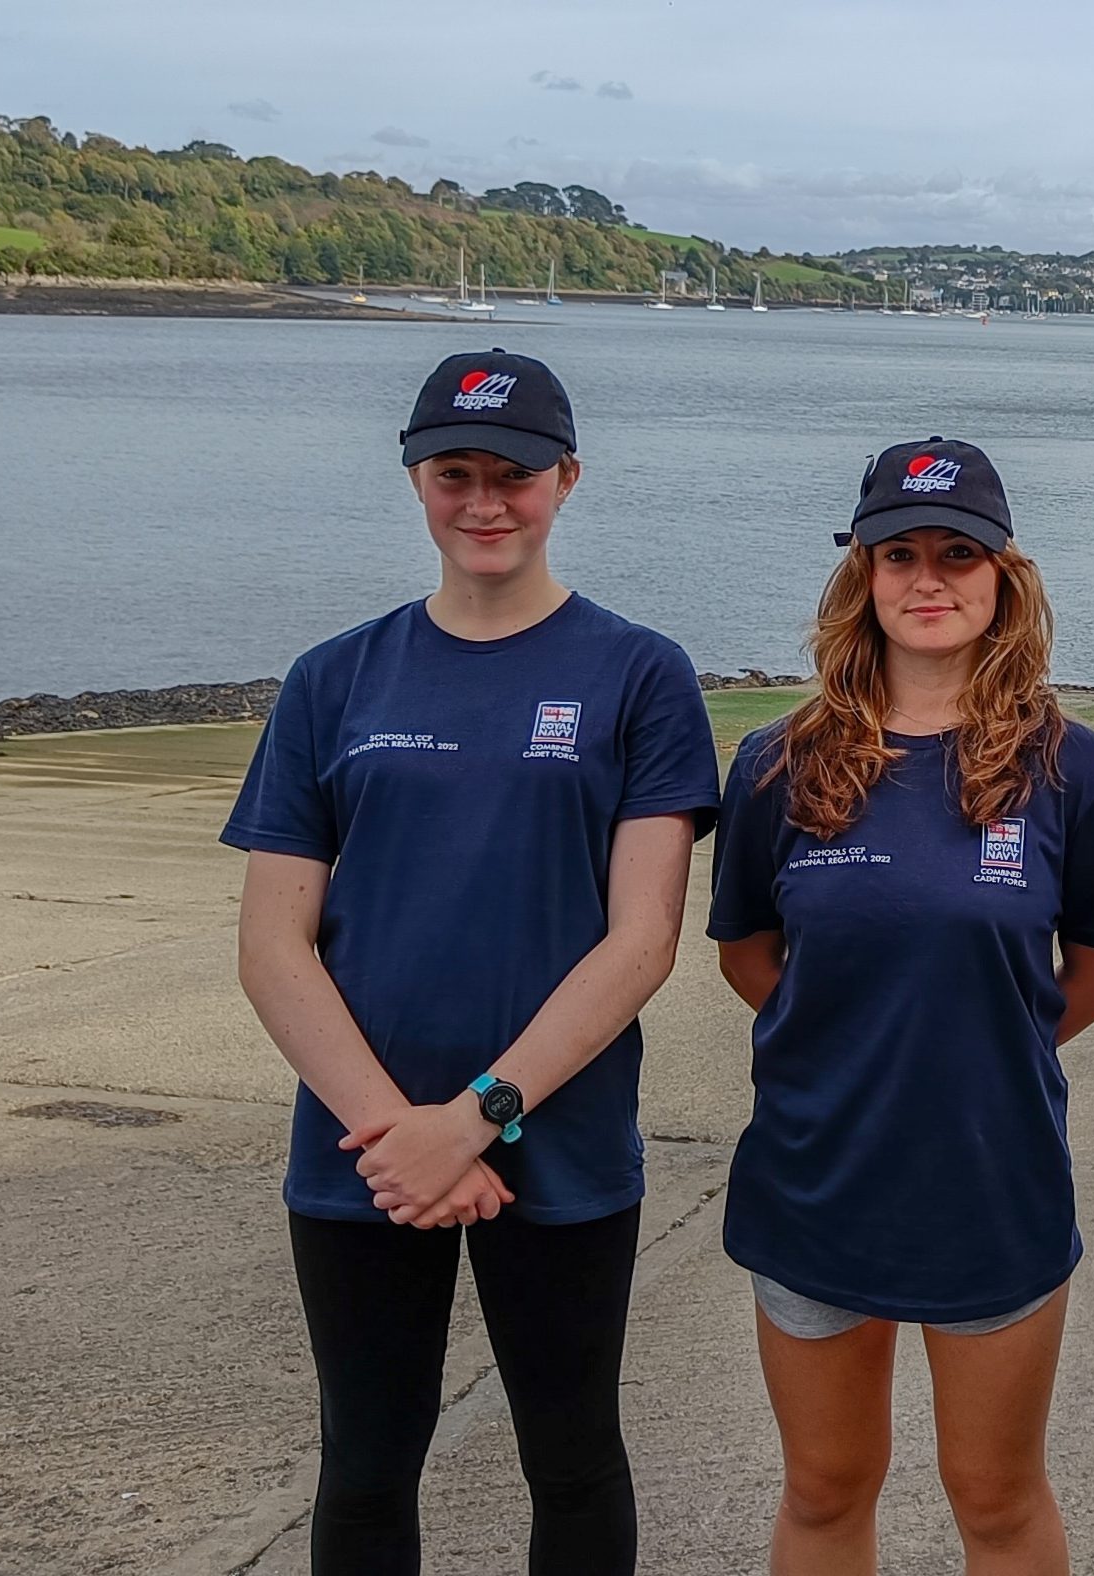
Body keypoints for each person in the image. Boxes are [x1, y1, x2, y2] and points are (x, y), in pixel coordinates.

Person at [224, 349, 721, 1576]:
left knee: (571, 1457)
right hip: (362, 1154)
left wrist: (481, 1117)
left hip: (556, 1136)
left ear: (568, 479)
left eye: (516, 474)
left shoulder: (636, 672)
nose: (485, 501)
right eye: (456, 472)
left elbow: (642, 938)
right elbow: (273, 941)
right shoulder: (336, 677)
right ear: (416, 480)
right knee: (364, 1467)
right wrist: (403, 1134)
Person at [708, 438, 1094, 1576]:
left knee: (994, 1497)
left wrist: (983, 1042)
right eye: (899, 553)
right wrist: (852, 1043)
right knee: (823, 1485)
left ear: (1006, 576)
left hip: (989, 1183)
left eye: (960, 553)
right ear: (862, 573)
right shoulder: (776, 762)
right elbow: (748, 952)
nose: (928, 578)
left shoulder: (1075, 769)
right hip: (817, 1178)